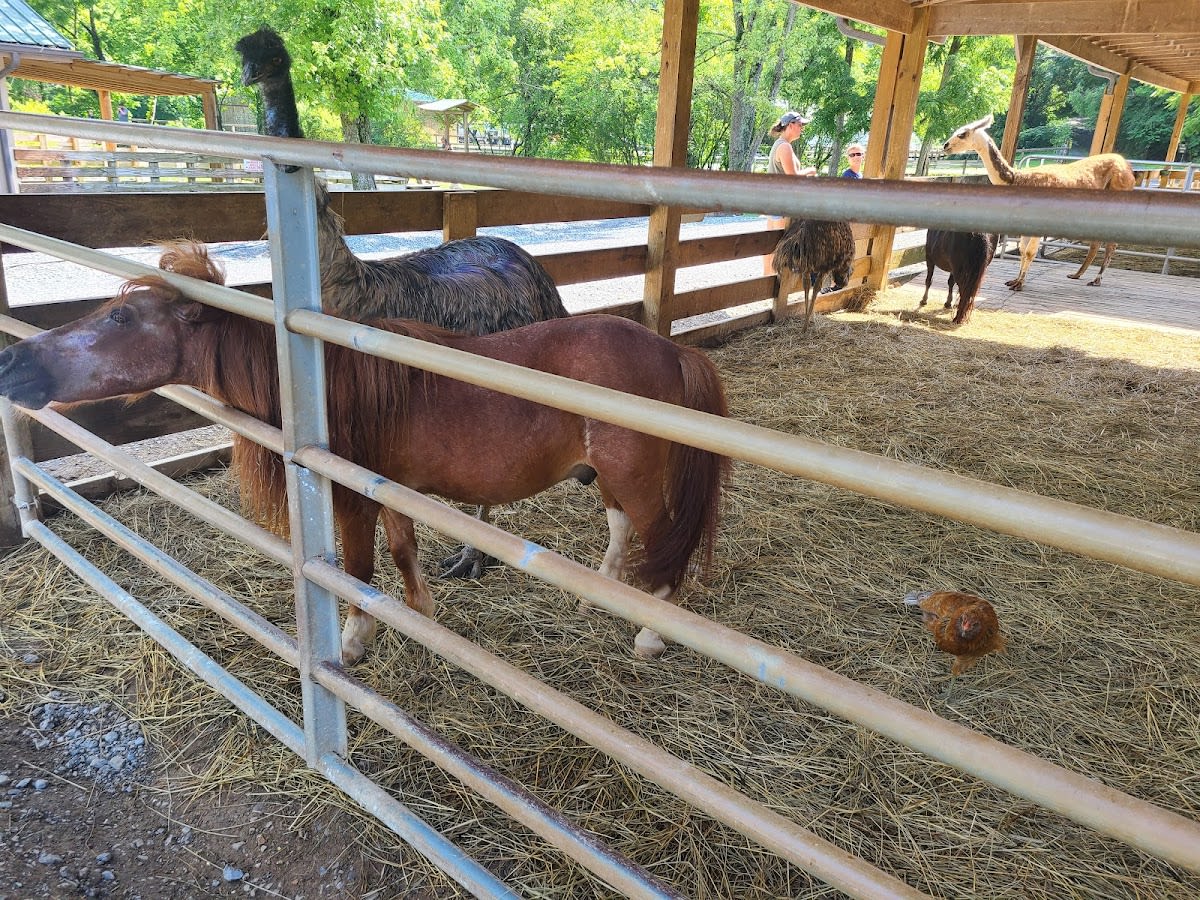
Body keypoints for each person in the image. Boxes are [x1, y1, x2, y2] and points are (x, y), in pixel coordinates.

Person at [764, 111, 816, 274]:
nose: (802, 129)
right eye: (800, 125)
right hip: (781, 204)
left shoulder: (780, 144)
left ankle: (767, 282)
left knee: (771, 244)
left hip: (774, 202)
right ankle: (773, 285)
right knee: (780, 245)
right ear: (790, 125)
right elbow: (792, 176)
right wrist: (810, 170)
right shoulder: (784, 146)